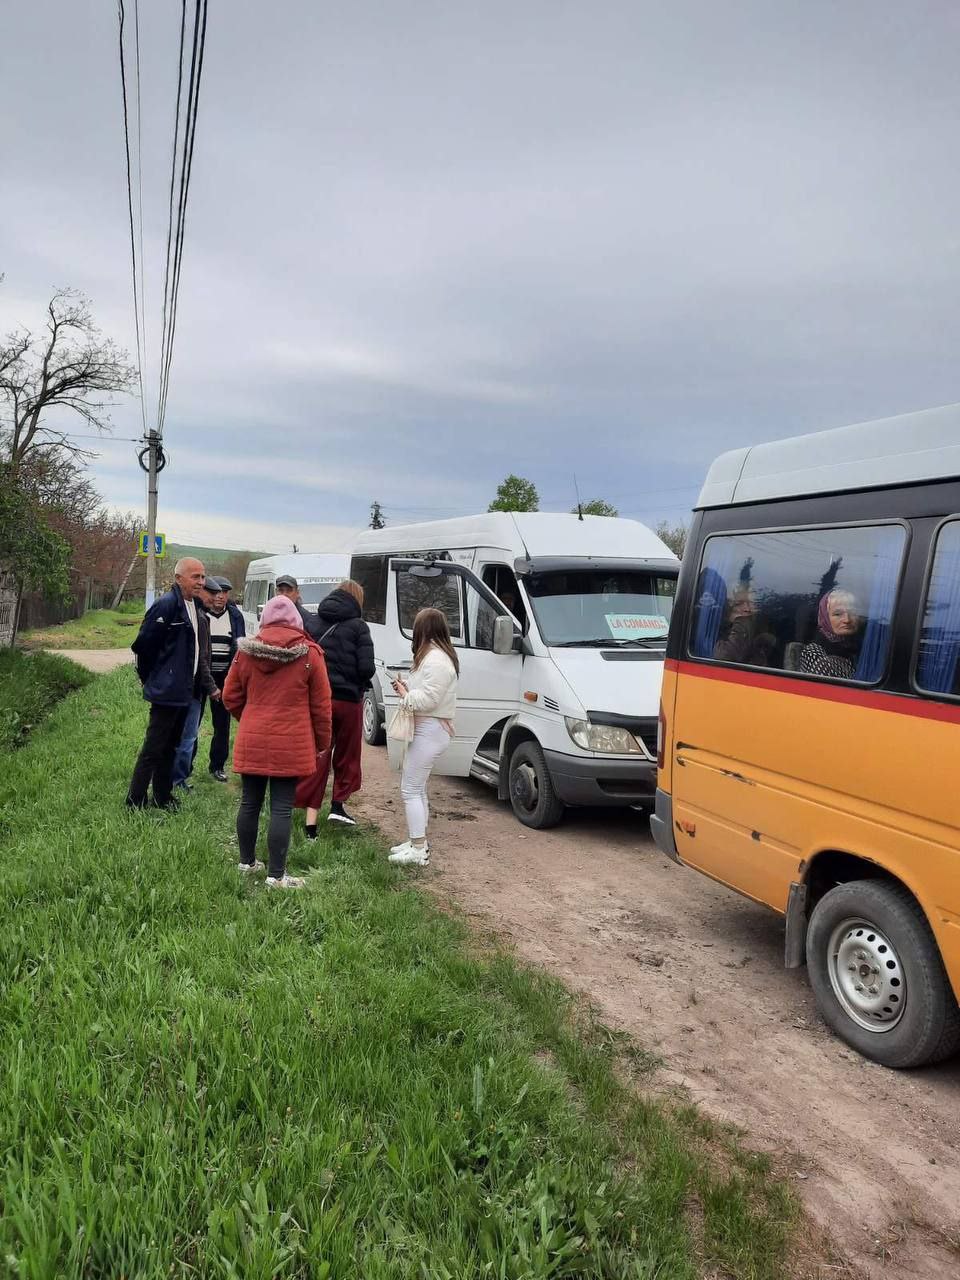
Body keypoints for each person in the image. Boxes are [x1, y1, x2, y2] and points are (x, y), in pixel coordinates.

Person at [223, 594, 332, 888]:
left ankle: (246, 863)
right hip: (292, 741)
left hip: (252, 736)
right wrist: (321, 743)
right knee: (281, 807)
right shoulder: (310, 655)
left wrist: (249, 719)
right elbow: (321, 707)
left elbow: (230, 696)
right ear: (297, 620)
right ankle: (276, 875)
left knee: (250, 802)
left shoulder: (246, 652)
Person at [127, 558, 219, 810]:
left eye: (202, 577)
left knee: (171, 747)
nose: (201, 582)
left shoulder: (194, 607)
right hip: (166, 691)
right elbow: (143, 646)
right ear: (179, 578)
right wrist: (154, 679)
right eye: (195, 577)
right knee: (153, 748)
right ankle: (134, 800)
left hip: (185, 691)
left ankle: (162, 797)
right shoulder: (166, 605)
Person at [295, 580, 376, 833]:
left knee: (319, 755)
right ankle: (338, 806)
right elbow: (367, 668)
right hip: (349, 701)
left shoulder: (314, 622)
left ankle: (310, 821)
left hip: (319, 700)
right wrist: (358, 685)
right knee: (347, 755)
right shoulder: (359, 627)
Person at [388, 607, 459, 867]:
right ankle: (418, 841)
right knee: (417, 787)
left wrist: (406, 696)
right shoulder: (433, 657)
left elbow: (429, 699)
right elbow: (427, 691)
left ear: (424, 630)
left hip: (430, 729)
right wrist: (406, 688)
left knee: (410, 789)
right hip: (427, 728)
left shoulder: (437, 660)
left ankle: (418, 848)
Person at [171, 575, 220, 792]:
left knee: (186, 737)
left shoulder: (201, 615)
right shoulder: (197, 617)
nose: (215, 598)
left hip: (193, 689)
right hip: (190, 690)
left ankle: (176, 778)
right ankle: (176, 781)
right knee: (186, 738)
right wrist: (211, 687)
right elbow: (200, 659)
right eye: (211, 593)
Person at [206, 576, 246, 781]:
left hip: (224, 677)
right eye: (215, 592)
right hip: (201, 675)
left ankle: (217, 765)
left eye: (224, 592)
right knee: (190, 722)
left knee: (222, 724)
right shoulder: (200, 613)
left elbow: (240, 647)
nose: (220, 596)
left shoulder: (235, 616)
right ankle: (183, 767)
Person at [799, 588, 863, 680]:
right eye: (837, 614)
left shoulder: (861, 645)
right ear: (825, 618)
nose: (847, 620)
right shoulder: (814, 653)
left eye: (852, 612)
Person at [713, 583, 776, 667]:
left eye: (752, 603)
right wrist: (742, 623)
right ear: (728, 607)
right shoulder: (714, 631)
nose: (747, 608)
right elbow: (725, 657)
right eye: (739, 603)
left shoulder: (763, 636)